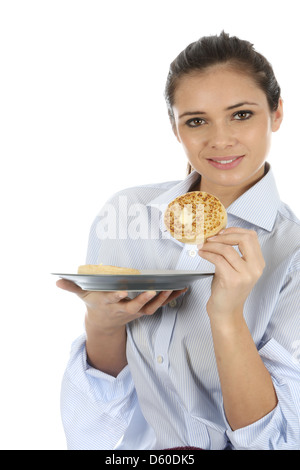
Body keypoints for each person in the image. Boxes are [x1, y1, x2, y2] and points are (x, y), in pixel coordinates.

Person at [57, 32, 300, 450]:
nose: (219, 140)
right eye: (196, 120)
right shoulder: (125, 215)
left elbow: (278, 441)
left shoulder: (292, 252)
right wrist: (102, 324)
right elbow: (97, 427)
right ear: (175, 127)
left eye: (241, 115)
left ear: (276, 113)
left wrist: (227, 317)